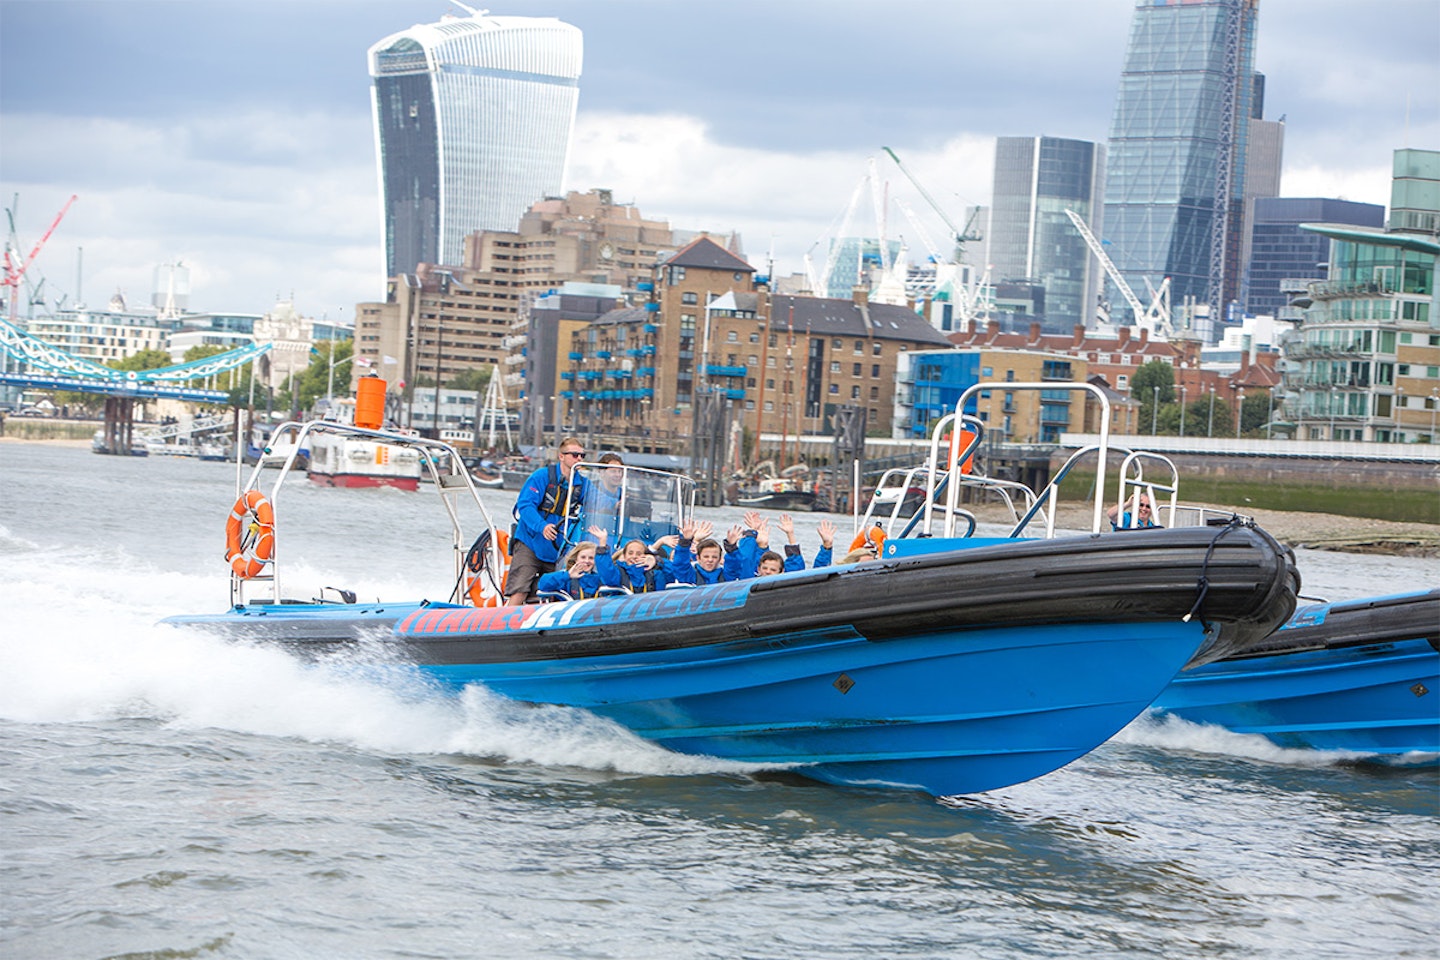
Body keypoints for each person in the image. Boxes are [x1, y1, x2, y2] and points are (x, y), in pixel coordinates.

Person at [506, 436, 593, 605]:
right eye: (575, 455)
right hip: (530, 541)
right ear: (562, 456)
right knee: (520, 589)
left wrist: (619, 501)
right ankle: (507, 623)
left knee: (561, 587)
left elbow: (600, 500)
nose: (579, 459)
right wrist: (542, 526)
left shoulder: (582, 484)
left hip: (558, 547)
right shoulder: (542, 476)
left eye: (582, 455)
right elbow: (525, 505)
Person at [534, 537, 605, 600]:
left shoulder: (600, 579)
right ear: (576, 559)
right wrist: (567, 575)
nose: (587, 561)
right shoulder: (566, 578)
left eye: (591, 558)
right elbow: (543, 584)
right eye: (583, 557)